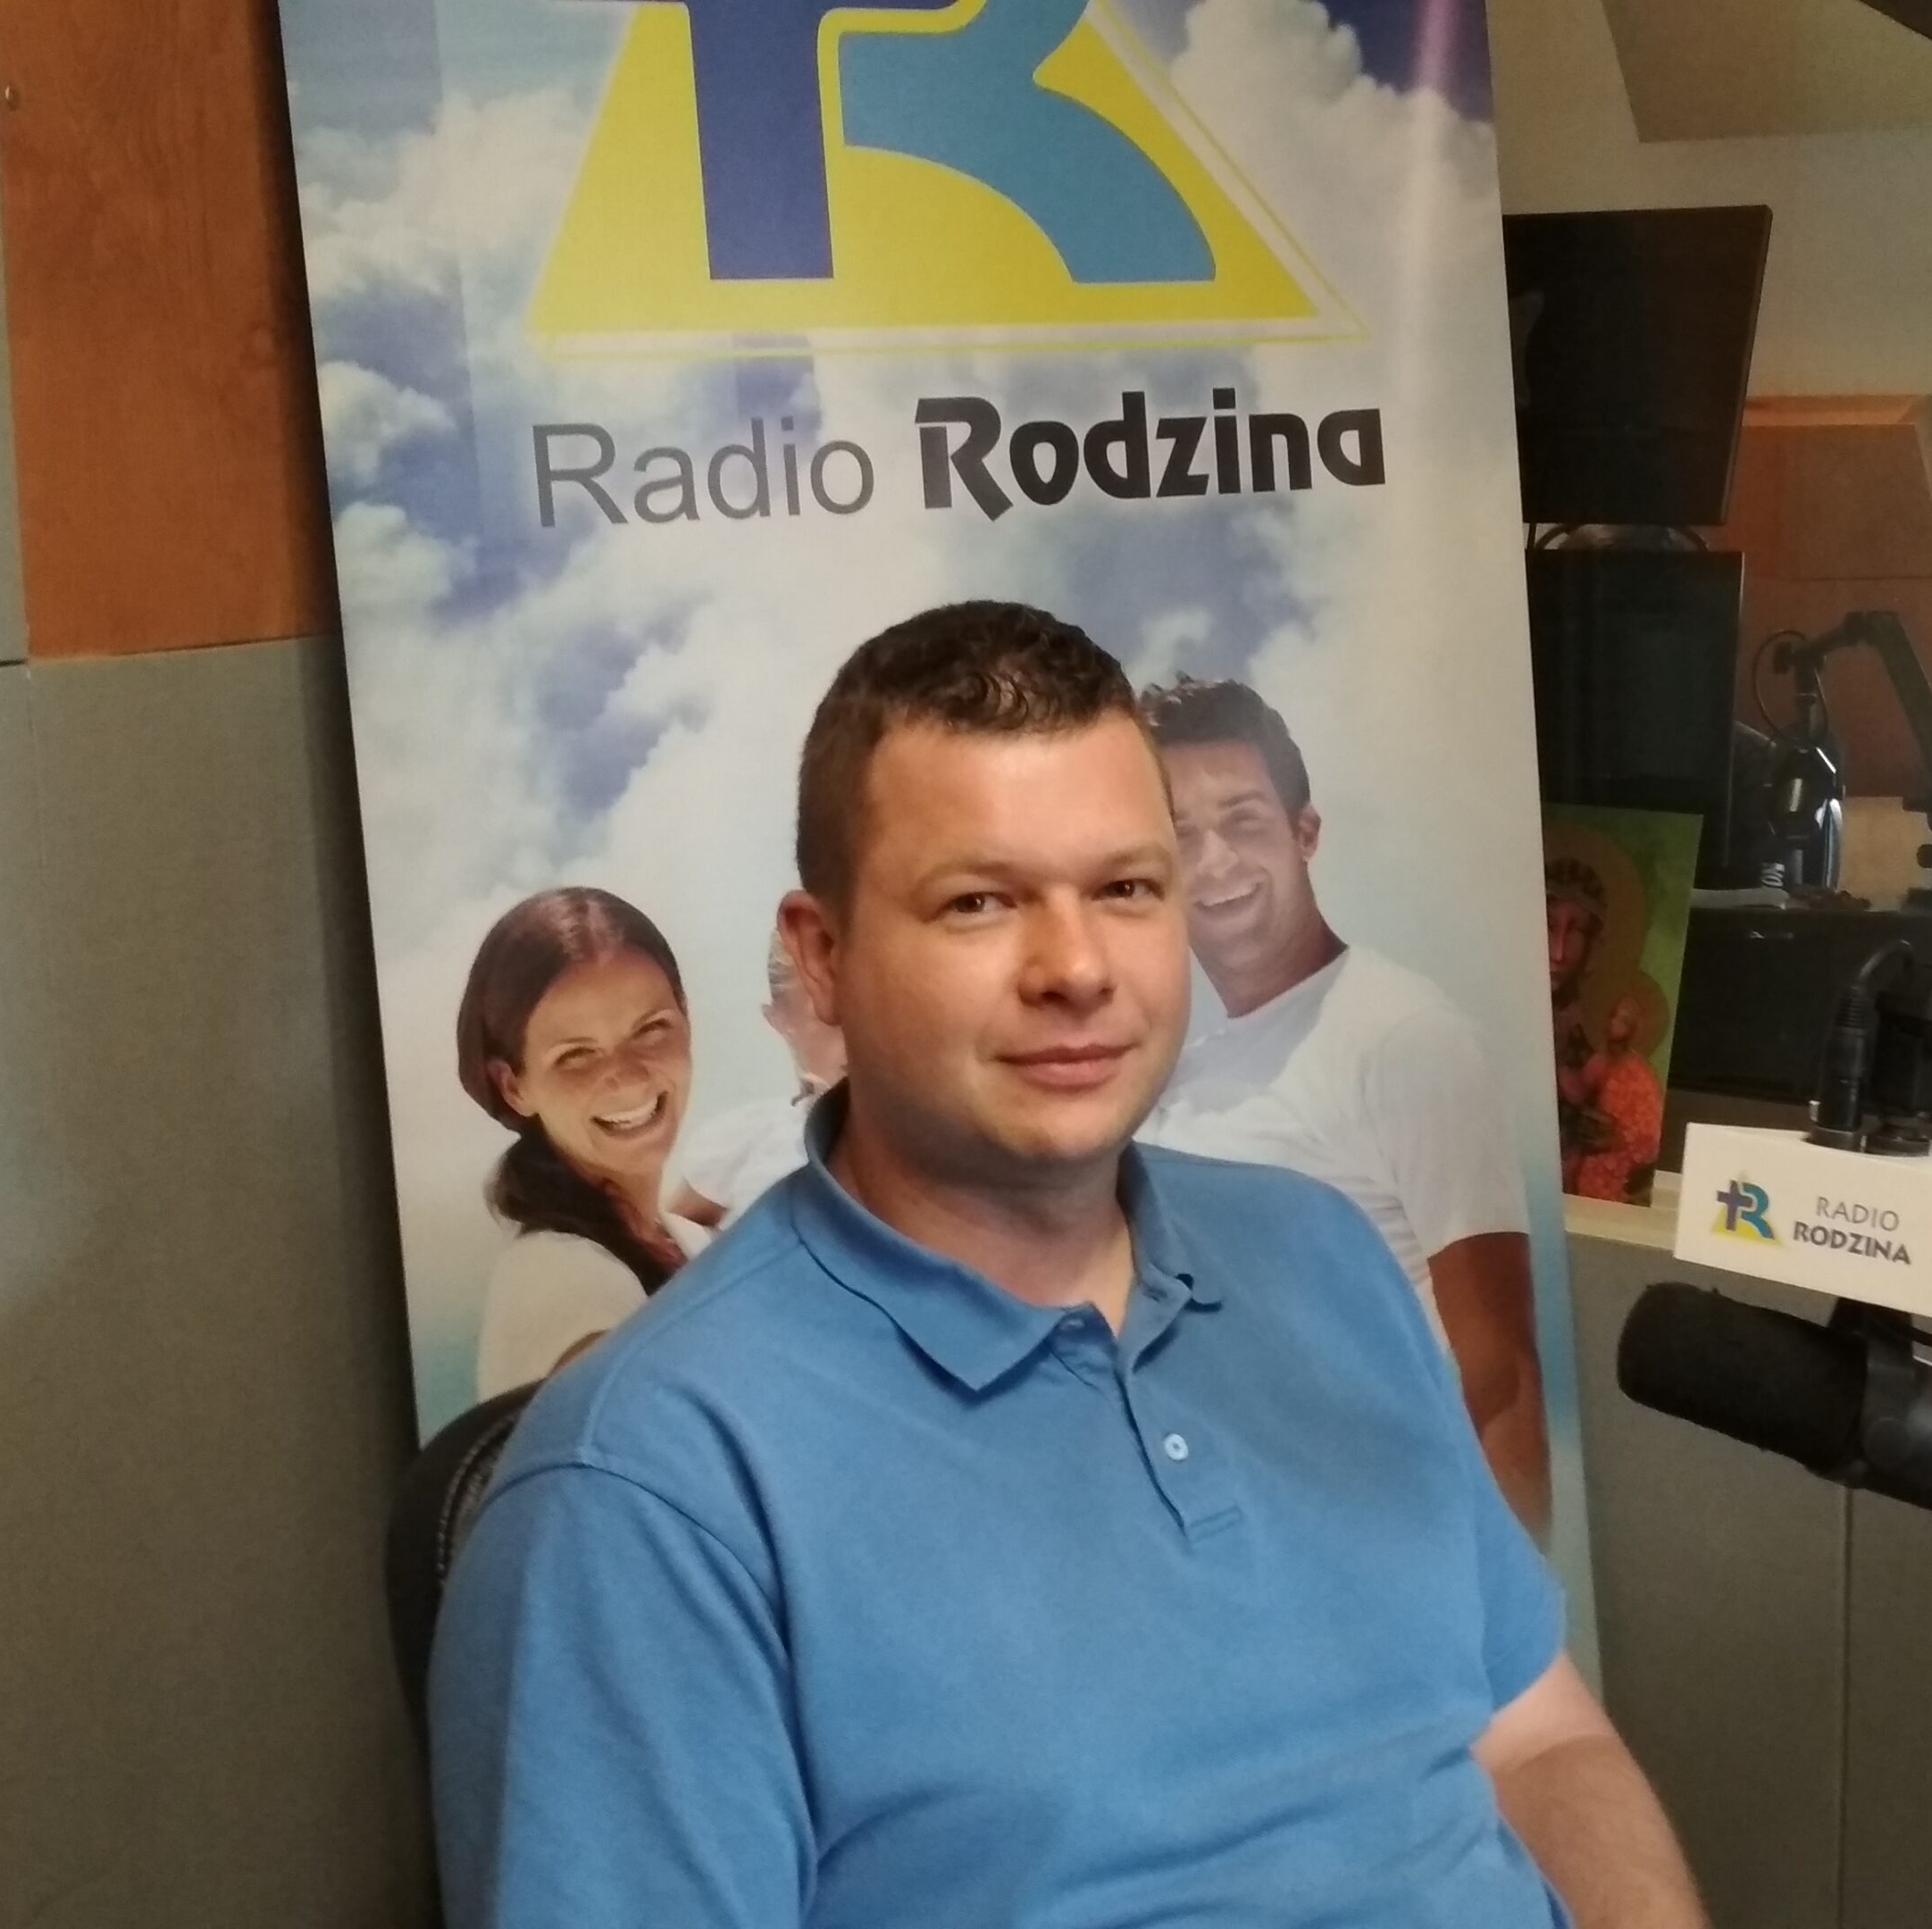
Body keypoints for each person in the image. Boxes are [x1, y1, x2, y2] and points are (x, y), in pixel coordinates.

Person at [431, 602, 1704, 1928]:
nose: (1077, 968)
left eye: (1126, 889)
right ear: (823, 956)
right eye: (980, 902)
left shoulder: (1325, 1257)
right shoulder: (645, 1491)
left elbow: (1538, 1740)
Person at [1135, 675, 1552, 1532]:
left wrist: (1516, 1595)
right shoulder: (1180, 1078)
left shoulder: (1404, 1038)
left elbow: (1503, 1374)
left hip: (1373, 1538)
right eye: (1181, 836)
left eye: (1243, 822)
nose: (1215, 864)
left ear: (1306, 832)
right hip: (1225, 1543)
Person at [457, 887, 707, 1399]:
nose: (628, 1077)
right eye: (576, 1056)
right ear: (513, 1085)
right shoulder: (564, 1281)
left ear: (687, 1019)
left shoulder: (688, 1243)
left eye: (651, 1029)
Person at [666, 927, 847, 1234]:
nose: (859, 1036)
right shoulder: (746, 1143)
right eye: (830, 1015)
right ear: (779, 1020)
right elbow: (668, 1236)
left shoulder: (925, 1139)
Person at [1547, 857, 1667, 1204]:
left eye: (1575, 932)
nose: (1558, 952)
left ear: (1594, 947)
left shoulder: (1592, 1050)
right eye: (1548, 926)